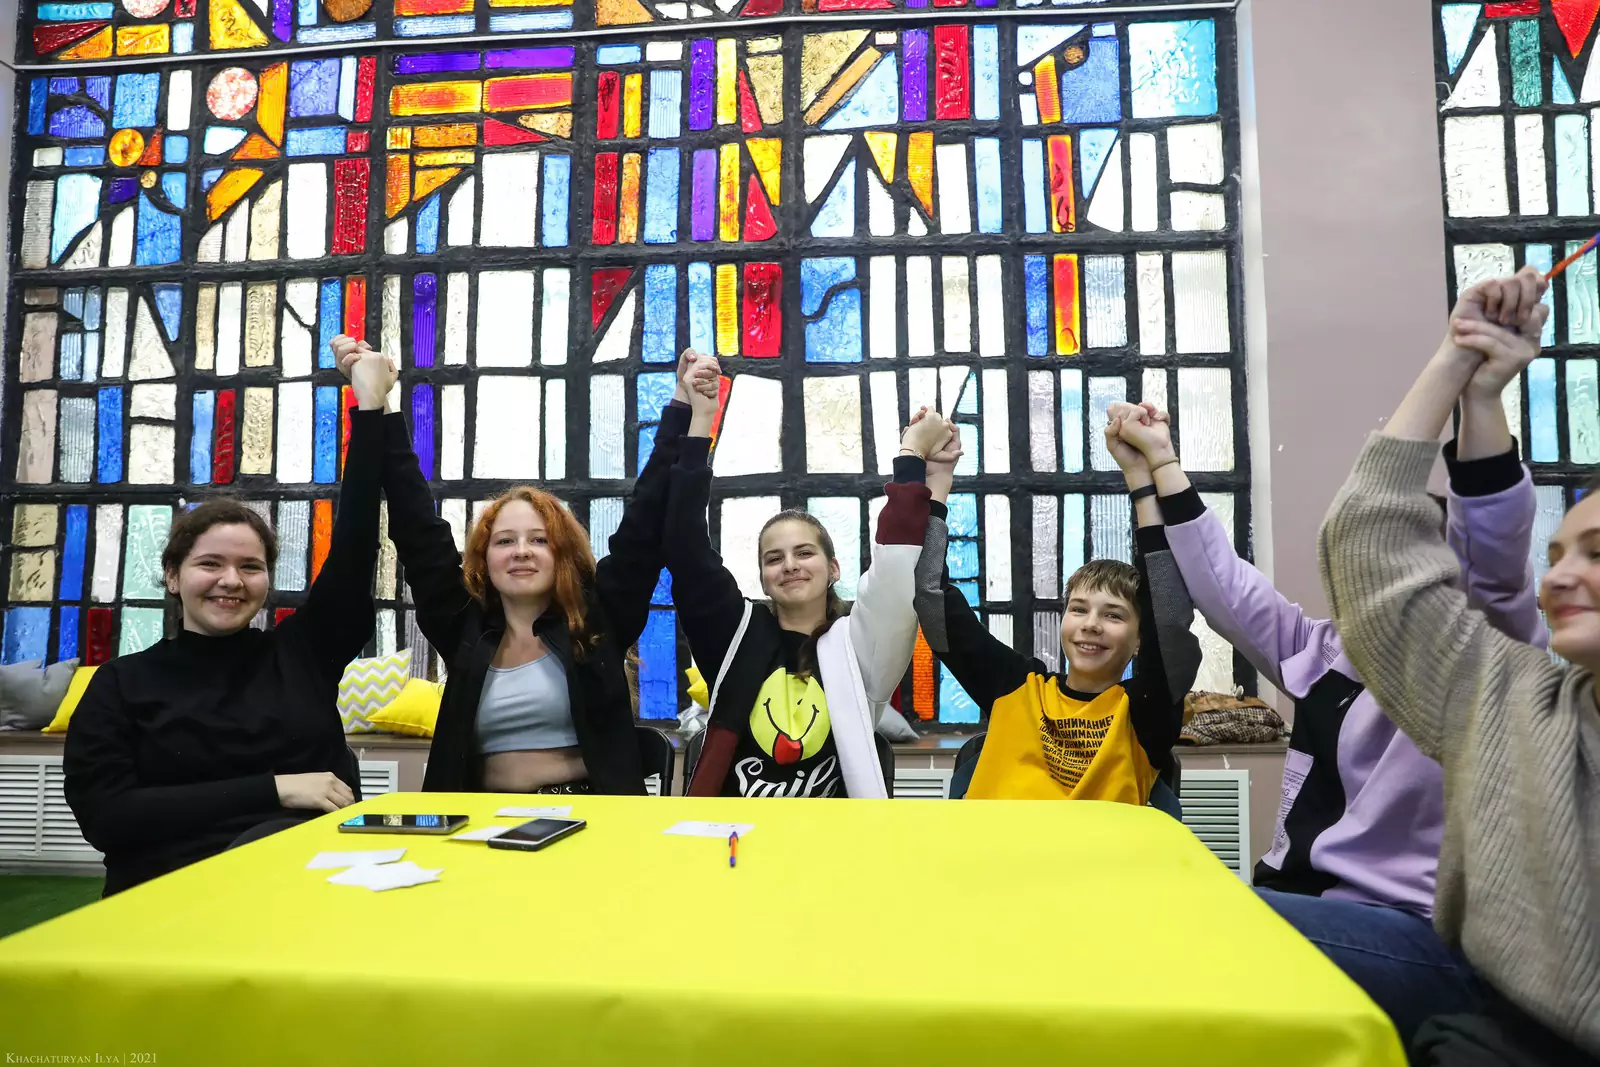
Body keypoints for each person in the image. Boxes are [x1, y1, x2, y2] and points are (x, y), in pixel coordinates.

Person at [1103, 386, 1543, 1047]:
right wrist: (1161, 460)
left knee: (1189, 922)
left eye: (1381, 566)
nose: (1360, 582)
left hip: (1414, 933)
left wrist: (1475, 388)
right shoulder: (1325, 650)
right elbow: (1222, 581)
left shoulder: (1481, 653)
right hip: (1309, 904)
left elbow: (1495, 549)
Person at [1320, 266, 1599, 1064]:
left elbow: (1492, 558)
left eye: (1595, 553)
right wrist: (1456, 357)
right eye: (1557, 554)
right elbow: (1371, 544)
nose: (1559, 577)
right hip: (1496, 1018)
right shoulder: (1512, 694)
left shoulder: (1501, 626)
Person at [63, 347, 395, 896]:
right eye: (210, 564)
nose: (231, 581)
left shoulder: (301, 653)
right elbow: (108, 817)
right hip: (169, 898)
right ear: (173, 576)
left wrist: (369, 406)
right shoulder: (121, 684)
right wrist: (276, 789)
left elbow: (356, 542)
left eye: (251, 567)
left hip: (306, 890)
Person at [329, 337, 713, 795]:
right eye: (505, 541)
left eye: (539, 540)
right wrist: (377, 400)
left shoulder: (598, 618)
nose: (521, 551)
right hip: (480, 820)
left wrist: (682, 404)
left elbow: (646, 521)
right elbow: (415, 527)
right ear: (484, 559)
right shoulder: (463, 625)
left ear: (562, 555)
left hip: (588, 816)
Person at [670, 355, 945, 798]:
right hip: (729, 832)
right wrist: (700, 419)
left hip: (834, 836)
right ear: (763, 578)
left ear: (833, 568)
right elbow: (685, 546)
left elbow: (897, 569)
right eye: (774, 558)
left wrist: (912, 458)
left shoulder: (859, 644)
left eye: (804, 552)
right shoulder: (734, 634)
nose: (790, 565)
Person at [916, 420, 1200, 809]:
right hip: (994, 849)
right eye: (1078, 609)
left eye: (1114, 616)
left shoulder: (1144, 711)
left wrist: (1139, 477)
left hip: (1098, 852)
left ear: (1140, 639)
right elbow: (931, 600)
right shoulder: (1015, 688)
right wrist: (936, 482)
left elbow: (1168, 618)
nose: (1091, 625)